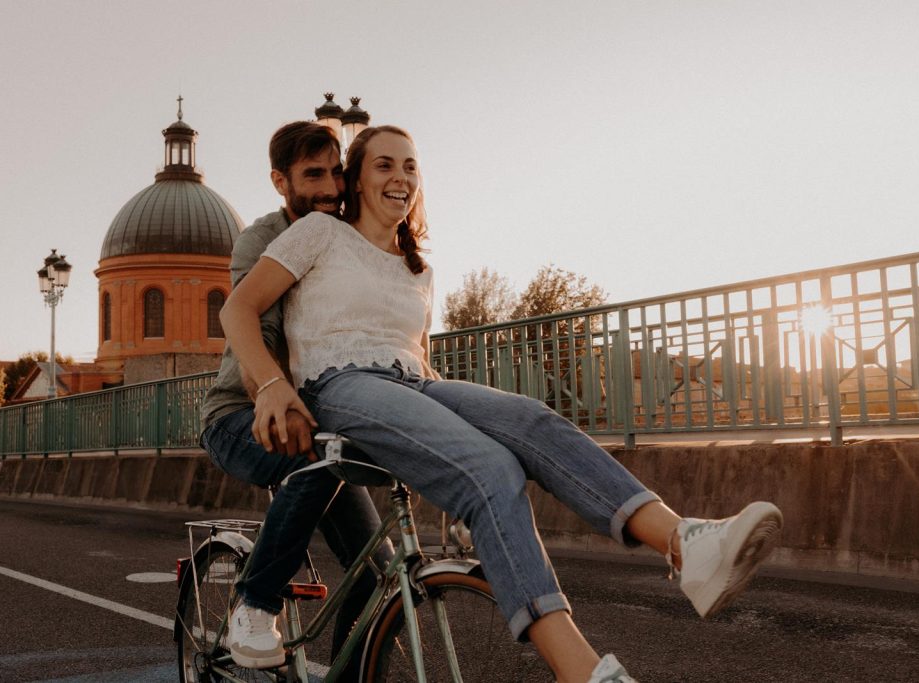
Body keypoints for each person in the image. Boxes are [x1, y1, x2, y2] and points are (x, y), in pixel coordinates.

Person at [220, 125, 784, 683]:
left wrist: (449, 423)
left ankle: (687, 546)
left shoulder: (419, 271)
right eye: (384, 164)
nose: (400, 177)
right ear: (358, 182)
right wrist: (271, 387)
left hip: (411, 383)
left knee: (531, 422)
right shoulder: (318, 231)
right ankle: (582, 672)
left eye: (410, 166)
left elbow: (416, 359)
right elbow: (238, 311)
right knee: (487, 470)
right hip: (338, 383)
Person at [199, 121, 392, 673]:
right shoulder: (262, 240)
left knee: (375, 575)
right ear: (279, 181)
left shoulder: (347, 235)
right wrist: (272, 388)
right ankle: (253, 605)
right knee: (316, 457)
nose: (332, 188)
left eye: (337, 172)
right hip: (241, 413)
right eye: (314, 175)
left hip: (322, 422)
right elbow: (253, 322)